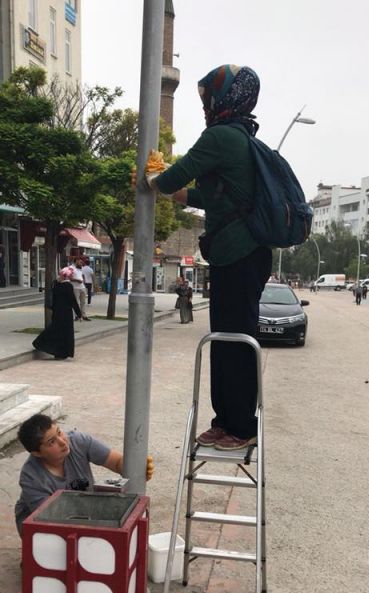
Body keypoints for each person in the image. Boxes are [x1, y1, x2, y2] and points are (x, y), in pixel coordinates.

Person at [150, 64, 272, 451]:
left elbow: (171, 178)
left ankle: (241, 426)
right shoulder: (241, 136)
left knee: (234, 342)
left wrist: (153, 175)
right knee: (224, 341)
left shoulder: (220, 136)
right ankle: (225, 421)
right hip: (242, 256)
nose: (205, 105)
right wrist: (178, 192)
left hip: (238, 256)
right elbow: (217, 197)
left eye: (208, 97)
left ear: (225, 97)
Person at [14, 413, 154, 536]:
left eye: (59, 432)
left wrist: (136, 468)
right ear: (37, 453)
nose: (62, 442)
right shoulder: (31, 477)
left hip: (83, 511)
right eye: (51, 442)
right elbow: (50, 520)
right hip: (42, 524)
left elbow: (116, 462)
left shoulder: (78, 442)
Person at [32, 266, 82, 359]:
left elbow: (54, 298)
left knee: (56, 330)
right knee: (65, 333)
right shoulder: (68, 286)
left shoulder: (55, 284)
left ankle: (47, 347)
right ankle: (62, 353)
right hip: (66, 313)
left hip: (57, 311)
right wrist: (79, 314)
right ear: (67, 276)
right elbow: (73, 301)